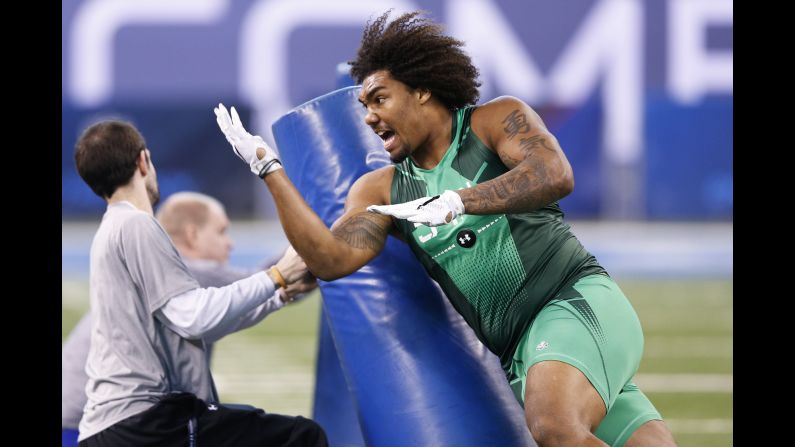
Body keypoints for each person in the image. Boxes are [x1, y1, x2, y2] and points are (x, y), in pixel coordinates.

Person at [215, 10, 679, 447]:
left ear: (421, 90)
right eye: (364, 106)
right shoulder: (381, 189)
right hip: (518, 351)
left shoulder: (492, 121)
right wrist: (270, 170)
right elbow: (331, 260)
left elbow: (556, 174)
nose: (370, 116)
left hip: (572, 303)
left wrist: (459, 201)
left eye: (380, 98)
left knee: (554, 428)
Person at [73, 119, 328, 447]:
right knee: (302, 437)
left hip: (117, 425)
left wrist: (279, 294)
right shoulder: (137, 225)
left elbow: (190, 326)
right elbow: (194, 318)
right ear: (143, 160)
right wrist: (277, 275)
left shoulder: (113, 227)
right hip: (142, 422)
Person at [61, 192, 311, 441]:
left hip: (87, 420)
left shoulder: (146, 265)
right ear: (193, 235)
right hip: (87, 426)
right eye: (221, 231)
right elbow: (268, 280)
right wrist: (320, 240)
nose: (230, 243)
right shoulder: (189, 272)